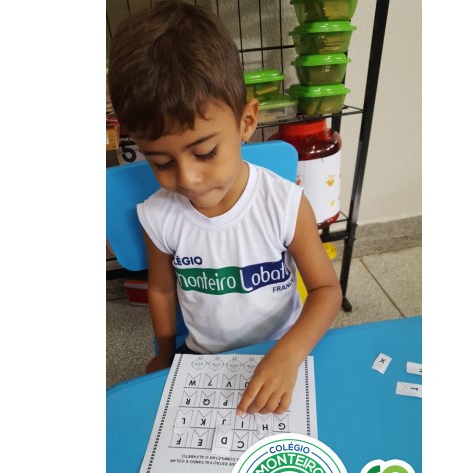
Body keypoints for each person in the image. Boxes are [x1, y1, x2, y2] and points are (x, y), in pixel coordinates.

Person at [108, 1, 342, 416]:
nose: (188, 179)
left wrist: (289, 354)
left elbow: (326, 291)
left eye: (205, 153)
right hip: (203, 358)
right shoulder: (159, 216)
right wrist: (164, 354)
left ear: (246, 122)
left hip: (282, 349)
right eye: (160, 162)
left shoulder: (284, 203)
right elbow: (161, 290)